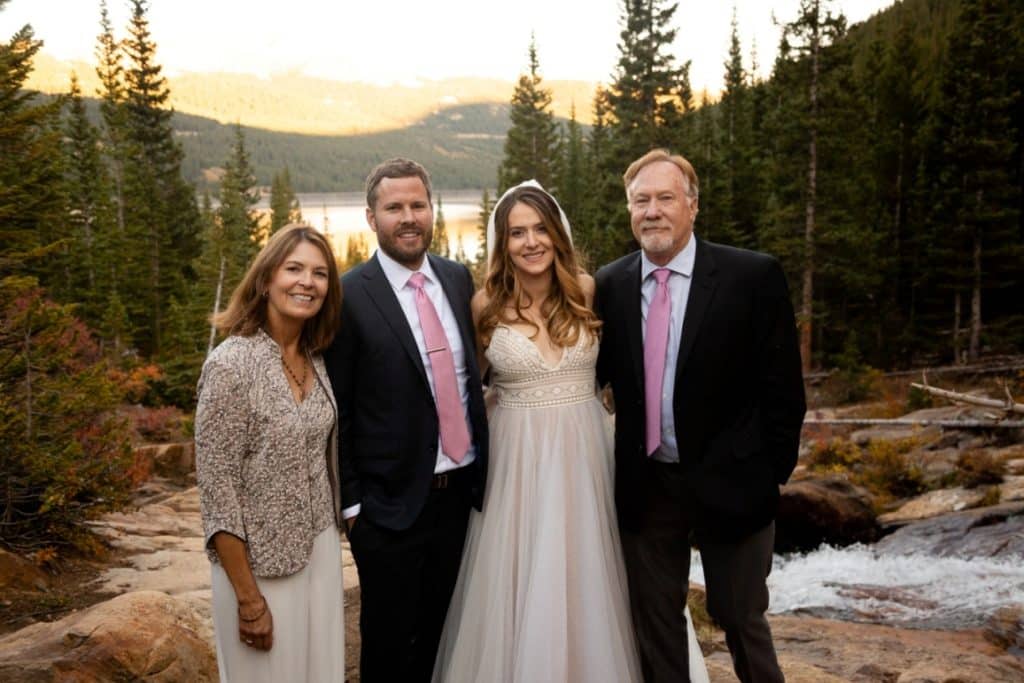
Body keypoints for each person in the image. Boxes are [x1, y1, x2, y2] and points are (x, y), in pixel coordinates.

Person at [432, 181, 708, 683]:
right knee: (521, 582)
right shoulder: (483, 307)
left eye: (540, 229)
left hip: (589, 456)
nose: (530, 242)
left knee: (599, 577)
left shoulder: (586, 289)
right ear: (503, 242)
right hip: (519, 467)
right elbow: (467, 390)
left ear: (557, 235)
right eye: (517, 232)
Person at [595, 149, 806, 682]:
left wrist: (768, 473)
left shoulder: (750, 276)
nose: (652, 211)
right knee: (656, 626)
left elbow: (784, 390)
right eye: (641, 200)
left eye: (666, 198)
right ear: (629, 210)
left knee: (740, 620)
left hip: (734, 481)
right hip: (648, 486)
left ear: (692, 206)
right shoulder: (611, 284)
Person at [325, 158, 489, 682]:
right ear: (371, 218)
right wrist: (353, 506)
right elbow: (339, 408)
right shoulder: (348, 295)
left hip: (460, 497)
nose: (409, 216)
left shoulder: (457, 279)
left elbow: (472, 379)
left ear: (431, 210)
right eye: (394, 207)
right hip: (387, 508)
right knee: (390, 646)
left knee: (444, 637)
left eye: (418, 205)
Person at [195, 223, 346, 682]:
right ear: (265, 280)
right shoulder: (230, 364)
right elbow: (218, 490)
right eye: (294, 268)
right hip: (257, 564)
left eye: (320, 274)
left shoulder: (318, 359)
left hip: (320, 549)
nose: (307, 282)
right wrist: (248, 597)